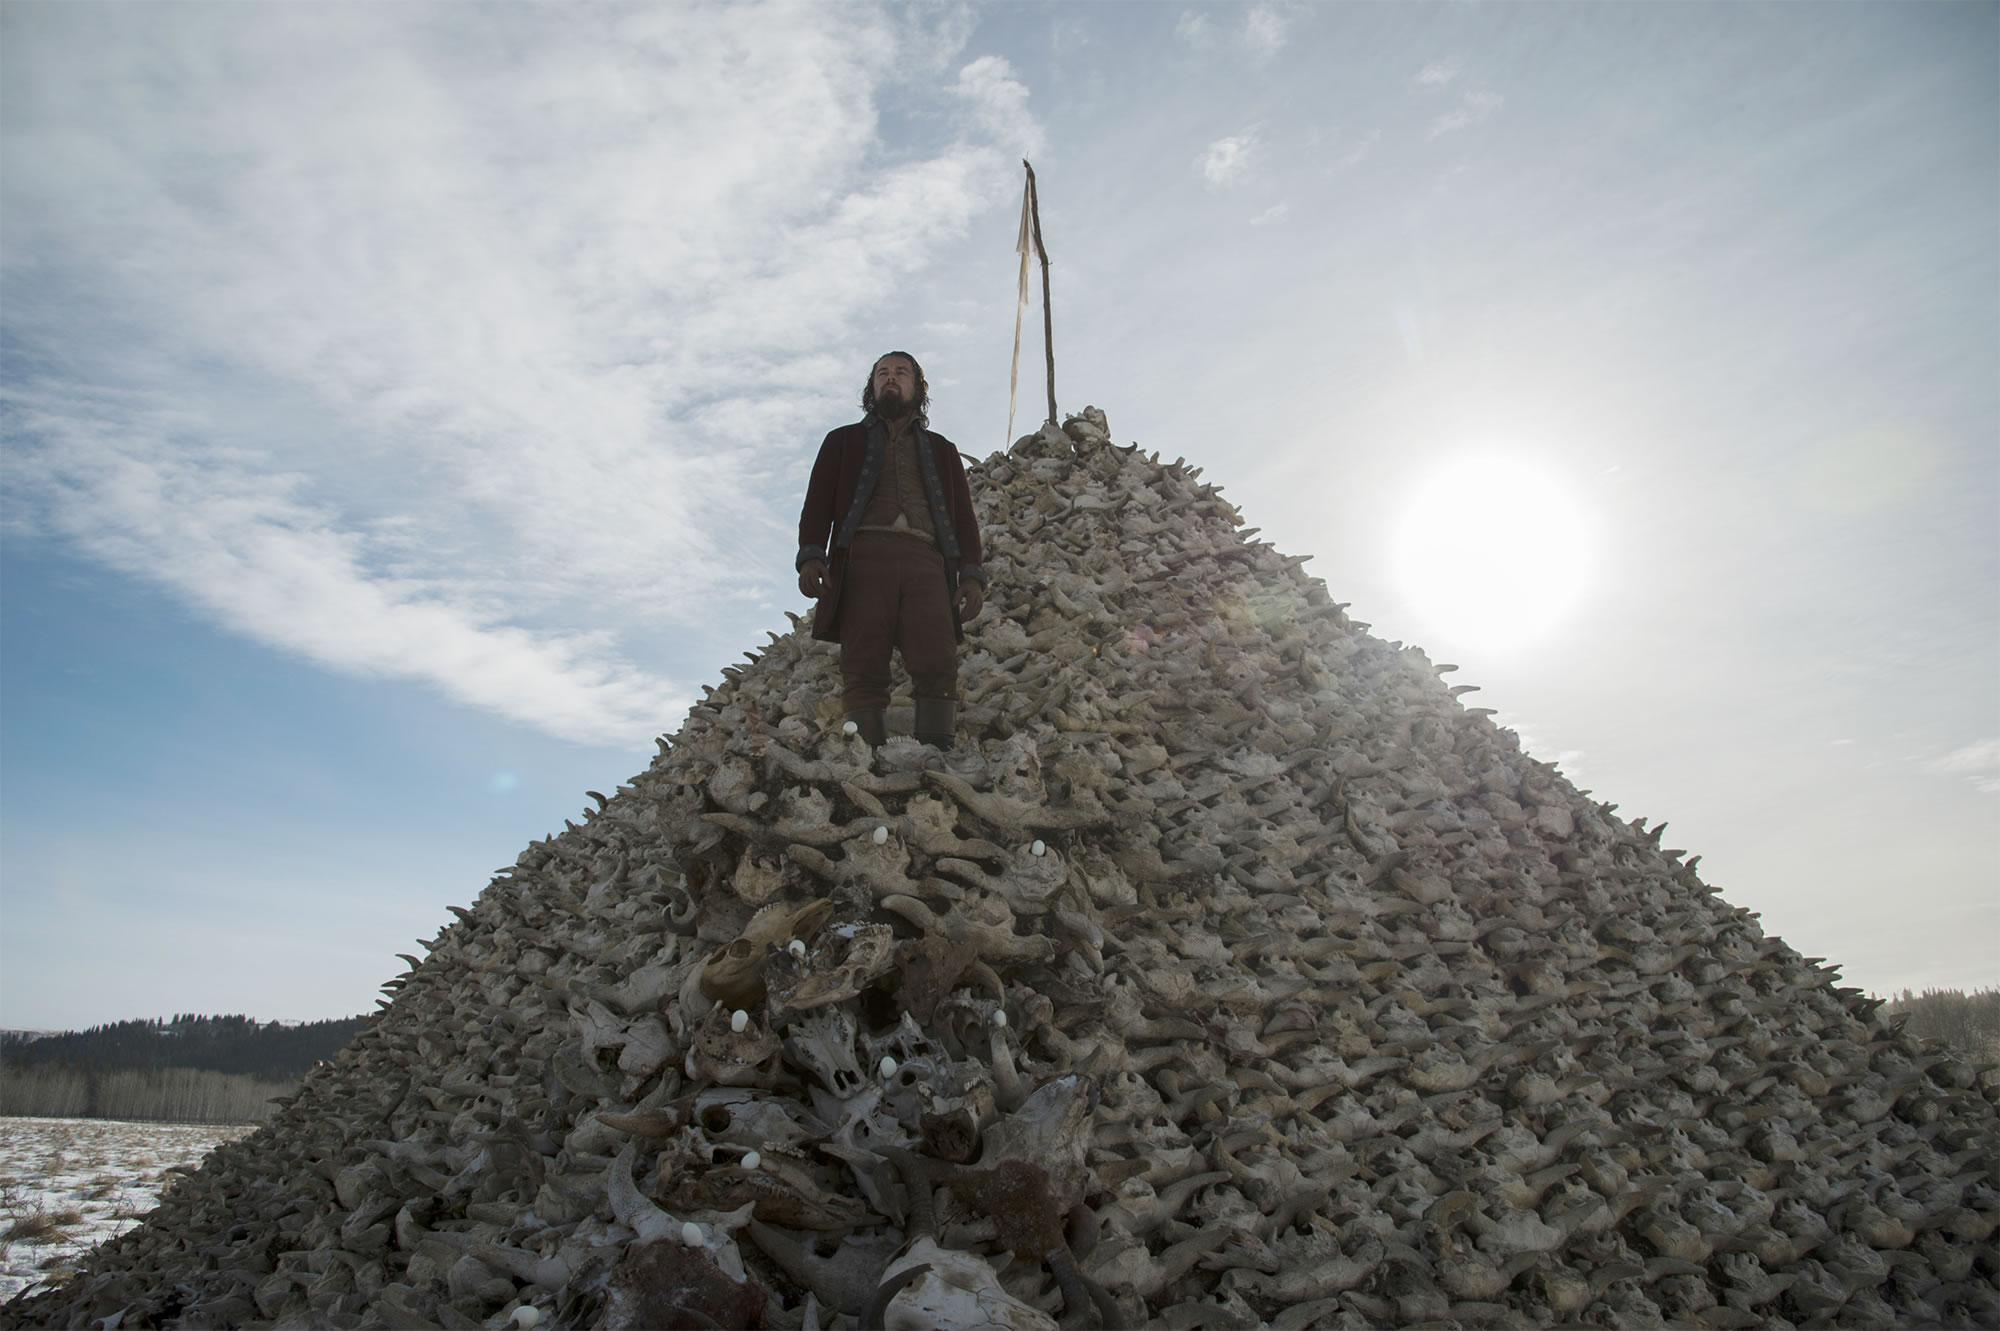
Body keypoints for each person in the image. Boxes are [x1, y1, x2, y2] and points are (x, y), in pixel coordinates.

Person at [796, 351, 985, 748]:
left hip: (926, 563)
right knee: (862, 663)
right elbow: (817, 503)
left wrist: (971, 574)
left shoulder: (942, 449)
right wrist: (812, 554)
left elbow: (964, 519)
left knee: (937, 659)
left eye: (901, 372)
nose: (890, 378)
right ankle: (868, 759)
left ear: (919, 388)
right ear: (872, 387)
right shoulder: (842, 441)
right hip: (864, 560)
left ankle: (937, 756)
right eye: (882, 373)